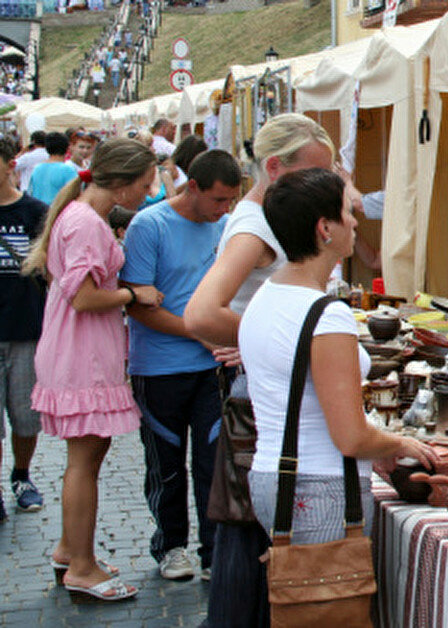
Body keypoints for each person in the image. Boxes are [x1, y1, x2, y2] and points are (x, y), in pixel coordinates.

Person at [184, 113, 339, 628]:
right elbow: (202, 313)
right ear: (274, 167)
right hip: (265, 404)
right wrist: (265, 339)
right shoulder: (258, 227)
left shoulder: (265, 214)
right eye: (317, 173)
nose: (328, 184)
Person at [242, 168, 434, 545]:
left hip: (276, 475)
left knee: (306, 599)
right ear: (324, 229)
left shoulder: (266, 296)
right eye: (347, 212)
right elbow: (349, 437)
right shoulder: (325, 314)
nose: (354, 221)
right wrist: (400, 444)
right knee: (332, 601)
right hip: (319, 489)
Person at [21, 138, 163, 602]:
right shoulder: (85, 223)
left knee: (89, 457)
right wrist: (131, 295)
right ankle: (81, 566)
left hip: (80, 349)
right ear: (122, 186)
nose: (147, 193)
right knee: (83, 462)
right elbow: (83, 297)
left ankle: (72, 548)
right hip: (82, 353)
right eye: (144, 185)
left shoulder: (82, 215)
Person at [120, 150, 241, 582]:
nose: (223, 209)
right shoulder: (149, 226)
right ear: (193, 187)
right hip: (159, 368)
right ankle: (170, 545)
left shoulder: (225, 228)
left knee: (213, 461)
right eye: (218, 200)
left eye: (230, 201)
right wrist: (199, 331)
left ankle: (213, 551)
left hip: (211, 368)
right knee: (166, 464)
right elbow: (139, 304)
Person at [0, 136, 49, 520]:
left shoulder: (35, 212)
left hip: (25, 327)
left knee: (24, 415)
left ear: (10, 165)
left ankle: (22, 475)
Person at [27, 132, 78, 206]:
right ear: (67, 148)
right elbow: (75, 195)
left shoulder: (37, 168)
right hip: (59, 213)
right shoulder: (68, 170)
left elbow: (30, 192)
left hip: (38, 211)